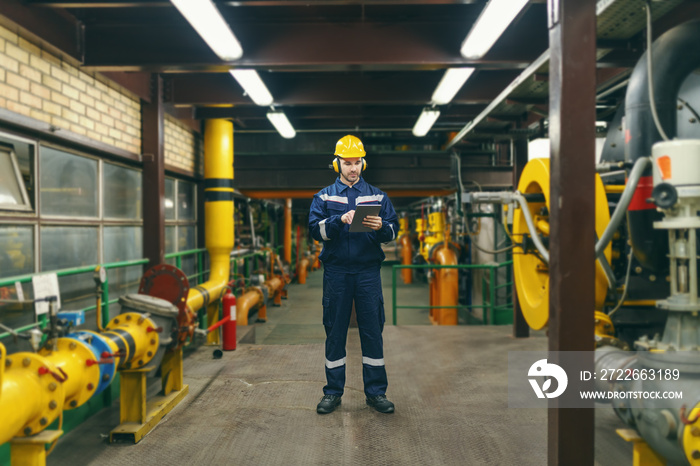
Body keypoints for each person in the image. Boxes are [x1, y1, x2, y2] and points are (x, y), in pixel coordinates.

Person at [308, 135, 399, 414]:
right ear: (337, 164)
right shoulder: (323, 196)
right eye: (347, 163)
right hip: (336, 273)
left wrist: (382, 225)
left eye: (357, 162)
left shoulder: (377, 196)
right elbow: (315, 230)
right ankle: (333, 393)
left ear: (363, 163)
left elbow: (394, 231)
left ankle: (376, 393)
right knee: (335, 331)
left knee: (372, 332)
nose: (352, 169)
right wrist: (338, 220)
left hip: (367, 273)